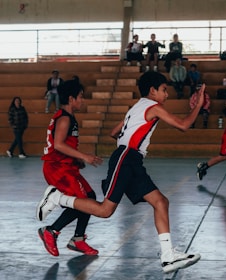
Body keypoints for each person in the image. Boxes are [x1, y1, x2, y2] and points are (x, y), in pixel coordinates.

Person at [36, 71, 204, 274]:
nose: (166, 95)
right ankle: (57, 198)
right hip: (126, 158)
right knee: (105, 211)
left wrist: (129, 139)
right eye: (164, 90)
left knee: (161, 202)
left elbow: (113, 132)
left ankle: (168, 257)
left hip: (131, 159)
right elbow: (184, 125)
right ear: (152, 91)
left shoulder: (136, 107)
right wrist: (198, 105)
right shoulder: (153, 107)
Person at [37, 79, 103, 257]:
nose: (83, 100)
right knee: (83, 203)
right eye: (81, 97)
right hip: (57, 168)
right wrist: (84, 156)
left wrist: (76, 158)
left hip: (66, 166)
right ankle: (51, 231)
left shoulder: (67, 117)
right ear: (71, 98)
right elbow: (58, 144)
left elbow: (64, 144)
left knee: (90, 197)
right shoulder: (65, 118)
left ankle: (78, 239)